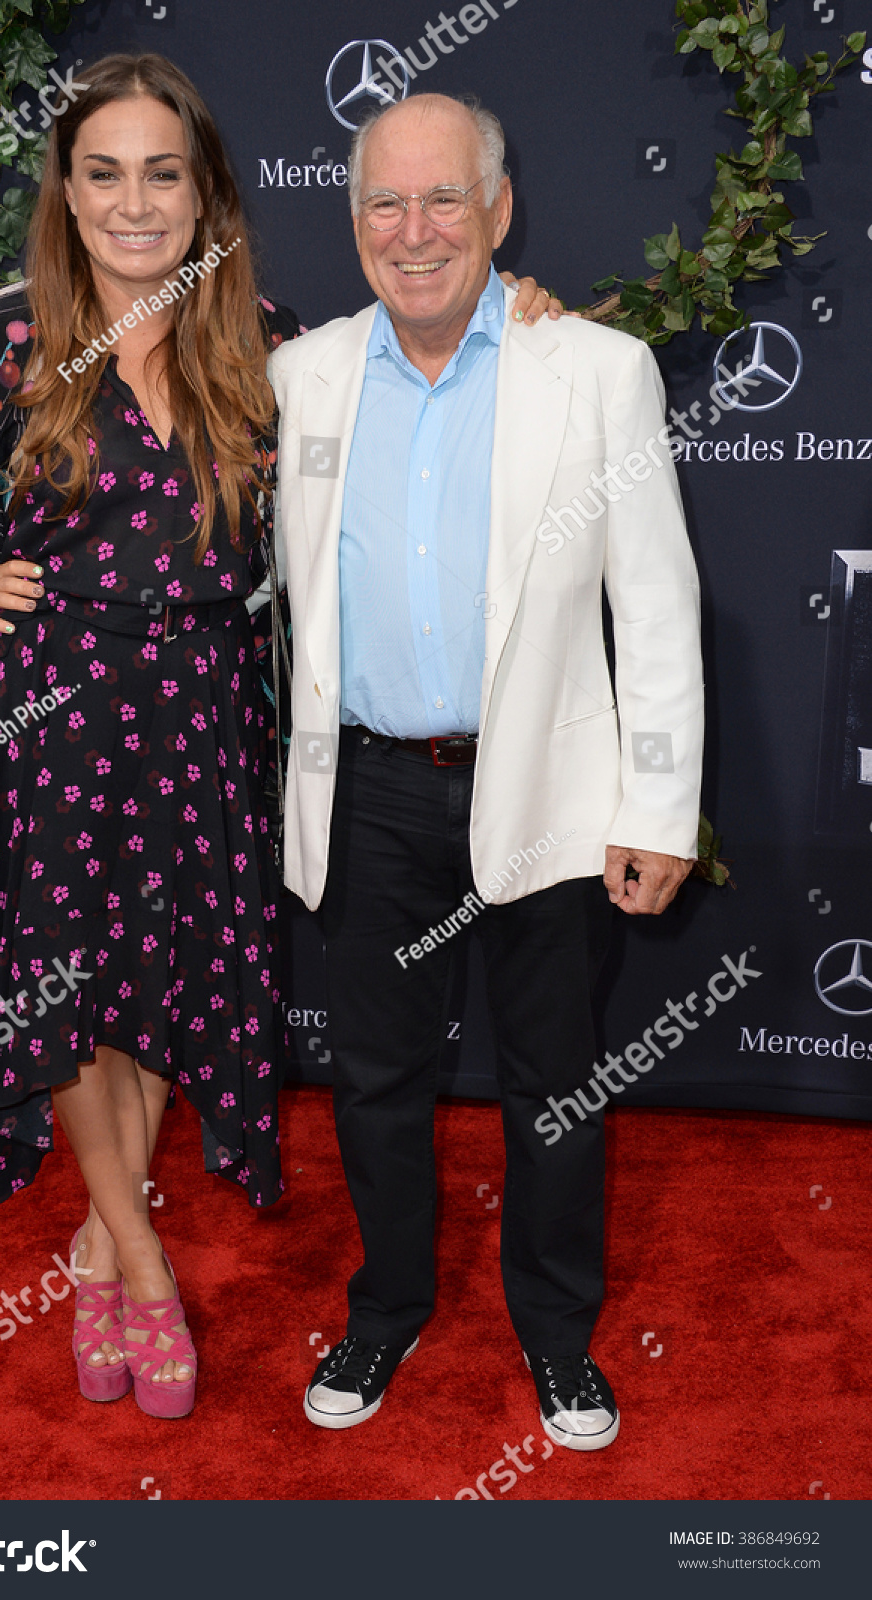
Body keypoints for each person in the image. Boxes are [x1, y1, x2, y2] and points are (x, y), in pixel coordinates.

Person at [0, 56, 562, 1420]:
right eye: (105, 172)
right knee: (73, 991)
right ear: (67, 190)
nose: (135, 201)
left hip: (207, 717)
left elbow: (415, 390)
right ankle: (144, 1266)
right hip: (48, 716)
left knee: (164, 986)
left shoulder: (262, 337)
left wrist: (523, 316)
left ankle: (98, 1235)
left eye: (164, 172)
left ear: (208, 188)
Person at [269, 92, 704, 1447]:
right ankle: (387, 1308)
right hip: (372, 790)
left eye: (445, 199)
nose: (416, 231)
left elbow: (660, 602)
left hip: (550, 796)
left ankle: (559, 1338)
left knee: (553, 1087)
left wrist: (659, 803)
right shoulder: (302, 379)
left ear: (500, 210)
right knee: (378, 1084)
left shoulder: (594, 370)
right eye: (386, 205)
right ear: (353, 227)